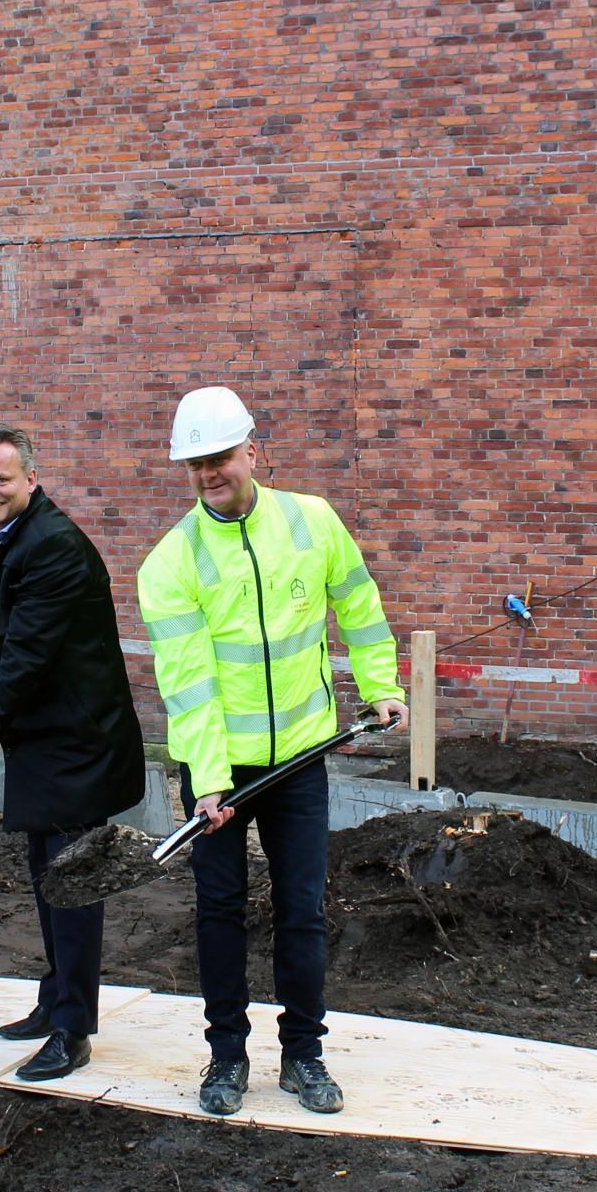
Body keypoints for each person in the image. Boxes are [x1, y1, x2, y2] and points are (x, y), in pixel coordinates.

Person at [136, 386, 407, 1117]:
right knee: (219, 911)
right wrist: (211, 785)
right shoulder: (170, 563)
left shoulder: (311, 521)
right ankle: (226, 1056)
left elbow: (358, 601)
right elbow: (188, 689)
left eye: (218, 456)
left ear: (252, 449)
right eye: (194, 463)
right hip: (219, 772)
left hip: (302, 758)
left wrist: (380, 684)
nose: (207, 473)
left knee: (302, 909)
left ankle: (303, 1054)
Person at [0, 423, 145, 1082]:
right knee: (45, 872)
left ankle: (72, 1028)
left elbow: (26, 654)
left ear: (31, 477)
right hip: (44, 737)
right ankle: (55, 997)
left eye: (0, 478)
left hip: (77, 740)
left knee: (73, 881)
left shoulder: (52, 546)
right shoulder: (5, 535)